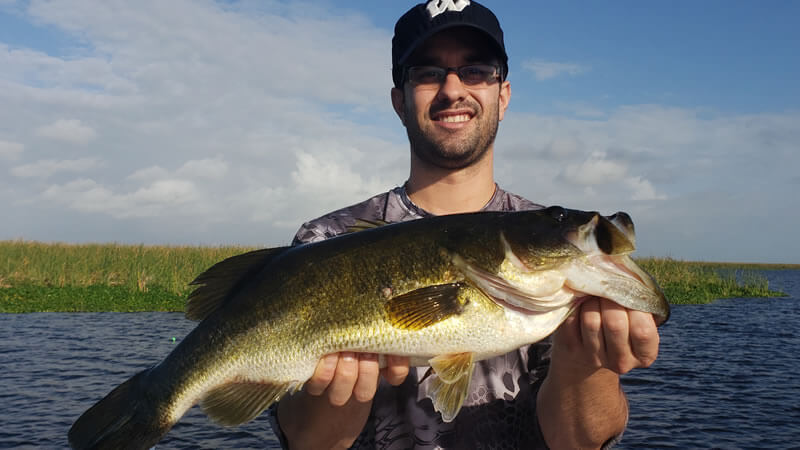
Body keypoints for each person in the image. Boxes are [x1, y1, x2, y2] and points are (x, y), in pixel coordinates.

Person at [269, 1, 661, 448]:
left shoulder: (551, 261)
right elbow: (306, 442)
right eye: (428, 73)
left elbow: (578, 442)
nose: (453, 89)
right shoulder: (323, 242)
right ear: (400, 100)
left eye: (476, 71)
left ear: (504, 94)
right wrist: (338, 397)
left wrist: (583, 365)